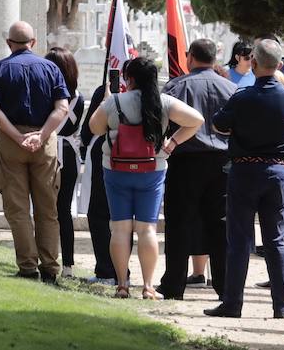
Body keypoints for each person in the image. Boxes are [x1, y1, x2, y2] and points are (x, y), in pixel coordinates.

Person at [87, 56, 203, 300]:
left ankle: (121, 285)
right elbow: (197, 121)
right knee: (147, 229)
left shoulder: (115, 101)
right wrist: (172, 143)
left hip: (116, 169)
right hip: (152, 170)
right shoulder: (165, 102)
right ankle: (148, 286)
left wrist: (108, 102)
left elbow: (95, 129)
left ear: (129, 79)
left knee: (119, 228)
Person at [205, 38, 284, 320]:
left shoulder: (243, 96)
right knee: (277, 240)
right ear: (279, 65)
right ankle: (282, 306)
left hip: (245, 172)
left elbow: (219, 123)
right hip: (278, 172)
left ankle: (232, 303)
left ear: (254, 63)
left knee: (239, 240)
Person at [0, 21, 70, 282]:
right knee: (48, 208)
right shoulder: (51, 68)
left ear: (10, 43)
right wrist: (41, 135)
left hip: (12, 140)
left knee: (18, 208)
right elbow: (62, 107)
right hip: (44, 140)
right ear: (33, 43)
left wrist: (17, 136)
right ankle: (51, 267)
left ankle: (28, 266)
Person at [157, 37, 237, 300]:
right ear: (214, 59)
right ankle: (225, 286)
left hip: (185, 161)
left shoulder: (176, 87)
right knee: (221, 225)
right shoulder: (232, 89)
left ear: (190, 57)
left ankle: (173, 285)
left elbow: (163, 124)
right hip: (222, 164)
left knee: (179, 223)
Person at [43, 47, 84, 279]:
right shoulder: (79, 97)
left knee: (45, 207)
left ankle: (46, 256)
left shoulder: (47, 95)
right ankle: (68, 264)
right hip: (69, 153)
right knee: (64, 209)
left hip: (50, 149)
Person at [78, 80, 118, 284]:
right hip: (138, 160)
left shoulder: (106, 94)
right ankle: (119, 271)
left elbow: (90, 128)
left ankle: (106, 269)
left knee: (99, 214)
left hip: (106, 153)